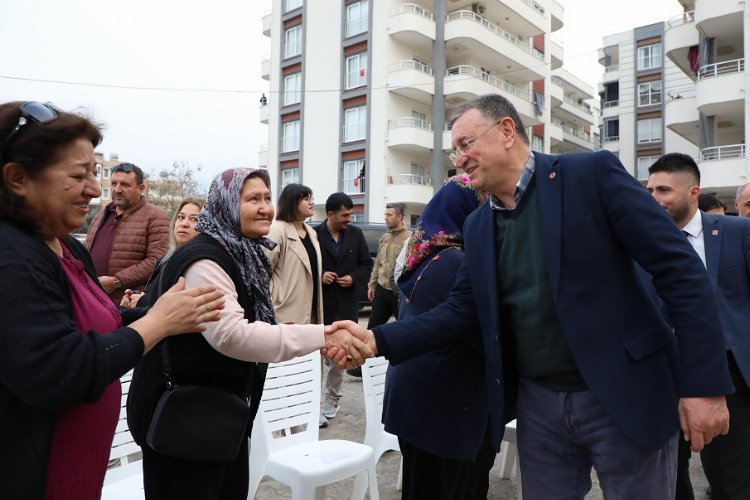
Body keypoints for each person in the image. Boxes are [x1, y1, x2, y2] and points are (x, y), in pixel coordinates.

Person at [329, 94, 732, 499]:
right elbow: (459, 311)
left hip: (621, 393)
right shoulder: (478, 226)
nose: (460, 159)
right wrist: (378, 339)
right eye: (455, 151)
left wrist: (705, 385)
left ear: (506, 131)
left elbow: (678, 269)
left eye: (466, 144)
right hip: (539, 405)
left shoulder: (590, 174)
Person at [0, 100, 224, 500]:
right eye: (77, 175)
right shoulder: (11, 258)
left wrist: (162, 313)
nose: (93, 188)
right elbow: (58, 369)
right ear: (17, 178)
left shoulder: (66, 246)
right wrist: (157, 325)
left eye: (94, 173)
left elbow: (102, 317)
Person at [126, 168, 370, 500]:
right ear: (226, 204)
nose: (265, 207)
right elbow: (232, 335)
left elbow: (247, 323)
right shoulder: (205, 259)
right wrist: (323, 337)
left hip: (216, 418)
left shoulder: (240, 251)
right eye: (252, 198)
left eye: (268, 198)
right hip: (183, 424)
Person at [383, 175, 495, 499]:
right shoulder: (455, 261)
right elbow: (482, 333)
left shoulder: (426, 251)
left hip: (420, 397)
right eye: (484, 202)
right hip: (440, 405)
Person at [647, 153, 750, 500]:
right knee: (667, 480)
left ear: (693, 193)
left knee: (731, 479)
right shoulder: (638, 242)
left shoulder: (739, 232)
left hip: (727, 374)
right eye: (649, 191)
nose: (654, 199)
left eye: (664, 190)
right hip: (660, 375)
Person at [314, 192, 372, 425]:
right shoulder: (314, 234)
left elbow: (366, 265)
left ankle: (332, 399)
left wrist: (353, 278)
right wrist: (320, 276)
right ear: (331, 214)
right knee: (316, 355)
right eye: (345, 215)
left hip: (346, 306)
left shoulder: (356, 235)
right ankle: (311, 403)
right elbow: (305, 266)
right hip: (322, 305)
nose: (349, 218)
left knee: (341, 355)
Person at [85, 162, 170, 302]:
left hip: (127, 303)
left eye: (124, 185)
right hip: (91, 297)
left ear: (141, 188)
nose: (117, 189)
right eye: (113, 183)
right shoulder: (101, 214)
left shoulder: (155, 216)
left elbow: (154, 262)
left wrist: (115, 282)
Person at [121, 197, 204, 308]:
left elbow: (182, 307)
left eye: (195, 219)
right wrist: (133, 299)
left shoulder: (200, 264)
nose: (184, 224)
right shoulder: (164, 261)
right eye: (181, 217)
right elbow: (155, 295)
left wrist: (143, 301)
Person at [266, 183, 323, 326]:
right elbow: (262, 272)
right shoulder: (276, 230)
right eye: (305, 199)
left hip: (311, 310)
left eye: (311, 198)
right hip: (285, 311)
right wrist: (277, 298)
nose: (311, 202)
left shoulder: (312, 232)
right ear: (292, 202)